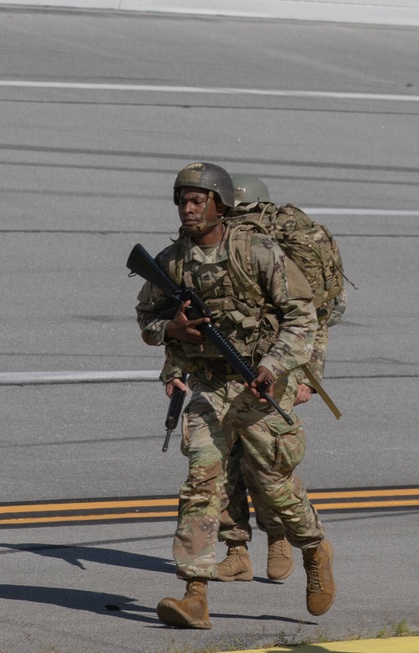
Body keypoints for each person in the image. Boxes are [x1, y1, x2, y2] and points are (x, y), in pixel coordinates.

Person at [134, 162, 335, 629]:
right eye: (182, 200)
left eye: (197, 200)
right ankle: (195, 593)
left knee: (274, 486)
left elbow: (302, 317)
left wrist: (272, 366)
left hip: (260, 383)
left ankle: (312, 548)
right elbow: (146, 318)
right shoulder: (170, 261)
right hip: (209, 386)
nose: (188, 208)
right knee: (202, 482)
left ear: (219, 205)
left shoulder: (257, 252)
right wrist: (172, 329)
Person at [214, 174, 340, 585]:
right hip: (225, 371)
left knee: (264, 466)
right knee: (219, 466)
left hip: (274, 371)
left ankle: (279, 537)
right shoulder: (220, 247)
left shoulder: (279, 250)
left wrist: (308, 376)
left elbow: (316, 320)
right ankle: (235, 550)